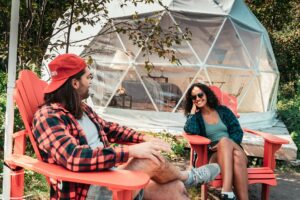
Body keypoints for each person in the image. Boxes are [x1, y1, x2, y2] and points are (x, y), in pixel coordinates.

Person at [32, 54, 220, 200]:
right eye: (89, 77)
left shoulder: (81, 109)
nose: (91, 81)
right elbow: (73, 157)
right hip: (90, 190)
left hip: (112, 178)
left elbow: (108, 128)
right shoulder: (48, 116)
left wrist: (142, 138)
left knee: (176, 189)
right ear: (75, 83)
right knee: (150, 160)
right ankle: (189, 177)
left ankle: (184, 181)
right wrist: (130, 151)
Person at [183, 83, 248, 200]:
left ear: (206, 94)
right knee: (237, 157)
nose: (197, 98)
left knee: (225, 141)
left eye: (200, 94)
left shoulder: (223, 111)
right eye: (194, 97)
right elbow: (190, 130)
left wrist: (226, 143)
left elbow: (237, 131)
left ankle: (227, 192)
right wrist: (192, 112)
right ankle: (229, 193)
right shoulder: (197, 118)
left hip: (234, 146)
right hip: (213, 154)